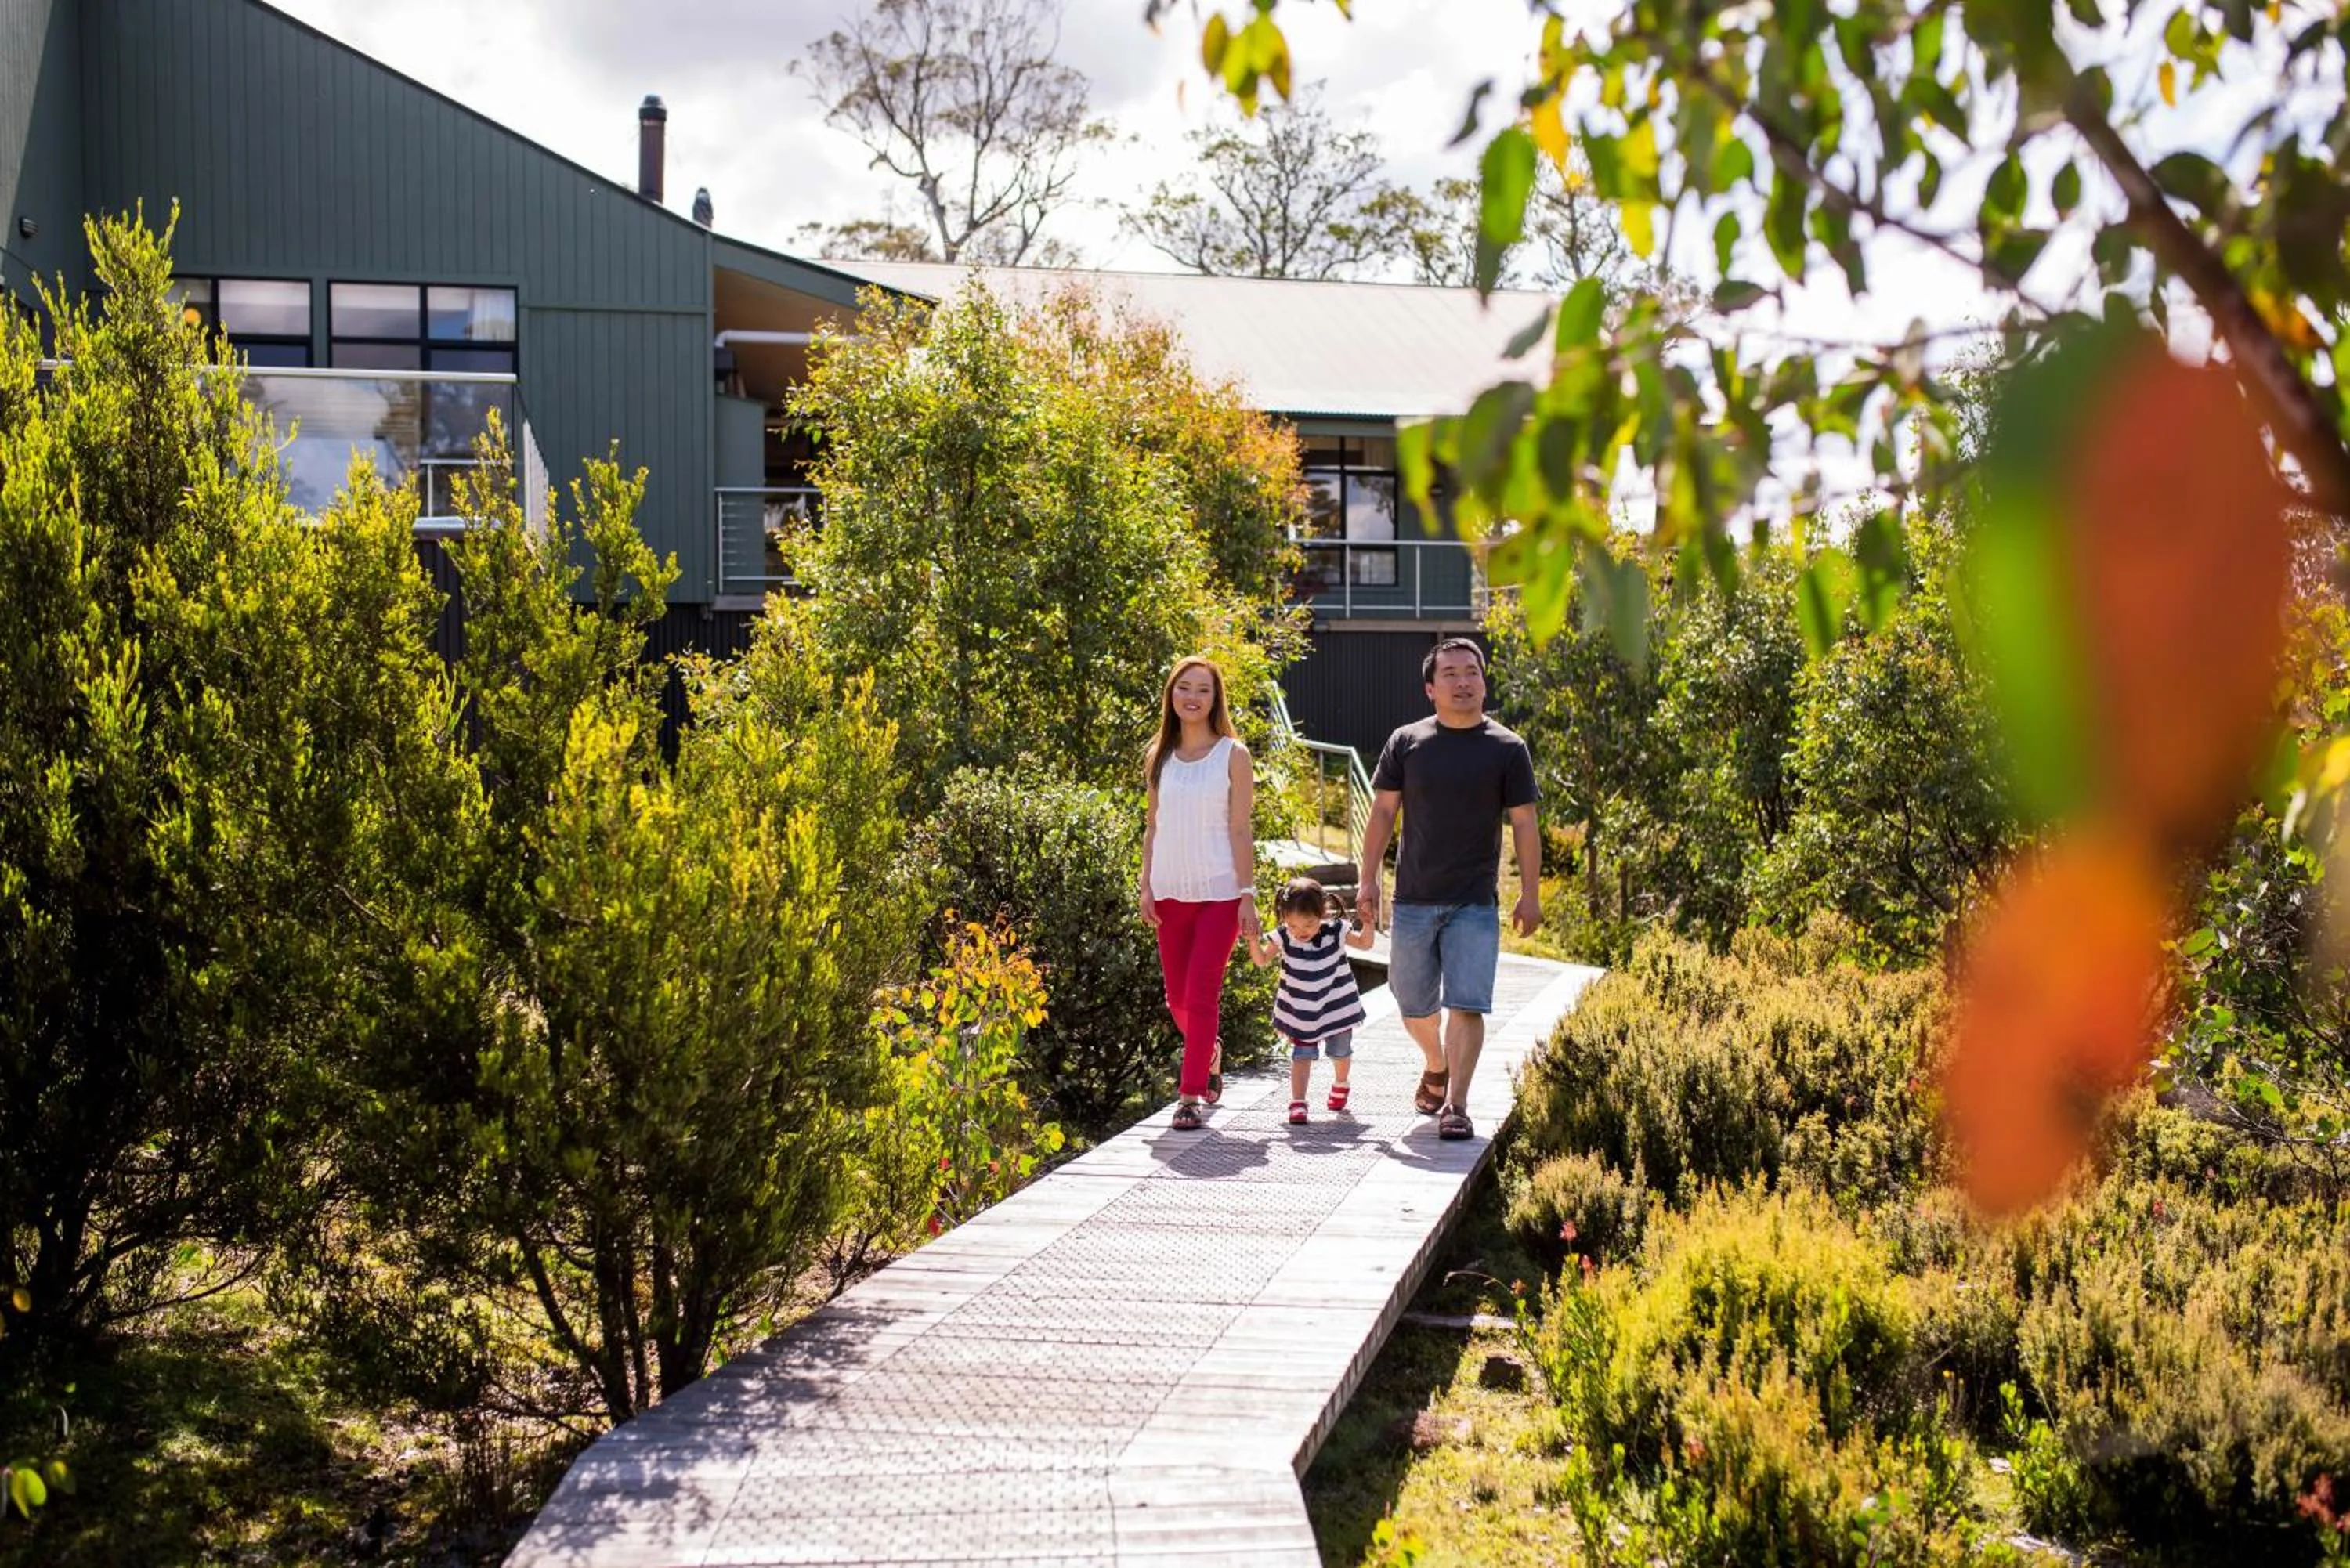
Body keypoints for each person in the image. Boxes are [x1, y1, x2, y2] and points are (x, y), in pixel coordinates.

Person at [1358, 638, 1540, 1142]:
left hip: (1475, 902)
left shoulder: (1507, 748)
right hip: (1413, 898)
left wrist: (1531, 892)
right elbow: (1383, 813)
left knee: (1468, 1002)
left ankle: (1456, 1105)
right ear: (1430, 688)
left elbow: (1524, 824)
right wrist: (1367, 879)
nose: (1463, 682)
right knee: (1411, 1000)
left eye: (1472, 673)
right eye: (1452, 674)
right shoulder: (1407, 742)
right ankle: (1435, 1062)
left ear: (1483, 682)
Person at [1140, 655, 1259, 1132]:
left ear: (1216, 699)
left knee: (1202, 993)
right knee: (1177, 1000)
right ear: (1172, 695)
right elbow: (1153, 825)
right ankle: (1208, 1052)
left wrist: (1247, 893)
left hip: (1220, 892)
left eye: (1203, 689)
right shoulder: (1158, 756)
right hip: (1169, 891)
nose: (1192, 697)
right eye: (1184, 688)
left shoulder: (1234, 755)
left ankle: (1189, 1095)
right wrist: (1145, 884)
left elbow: (1240, 828)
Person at [1251, 876, 1376, 1125]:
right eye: (1293, 925)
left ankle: (1341, 1083)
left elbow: (1365, 943)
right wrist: (1253, 940)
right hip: (1302, 1010)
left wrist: (1369, 924)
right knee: (1302, 1055)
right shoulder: (1284, 937)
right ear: (1285, 919)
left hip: (1336, 1005)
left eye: (1308, 924)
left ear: (1322, 913)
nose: (1301, 932)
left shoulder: (1336, 932)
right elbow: (1262, 960)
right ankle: (1298, 1102)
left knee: (1340, 1052)